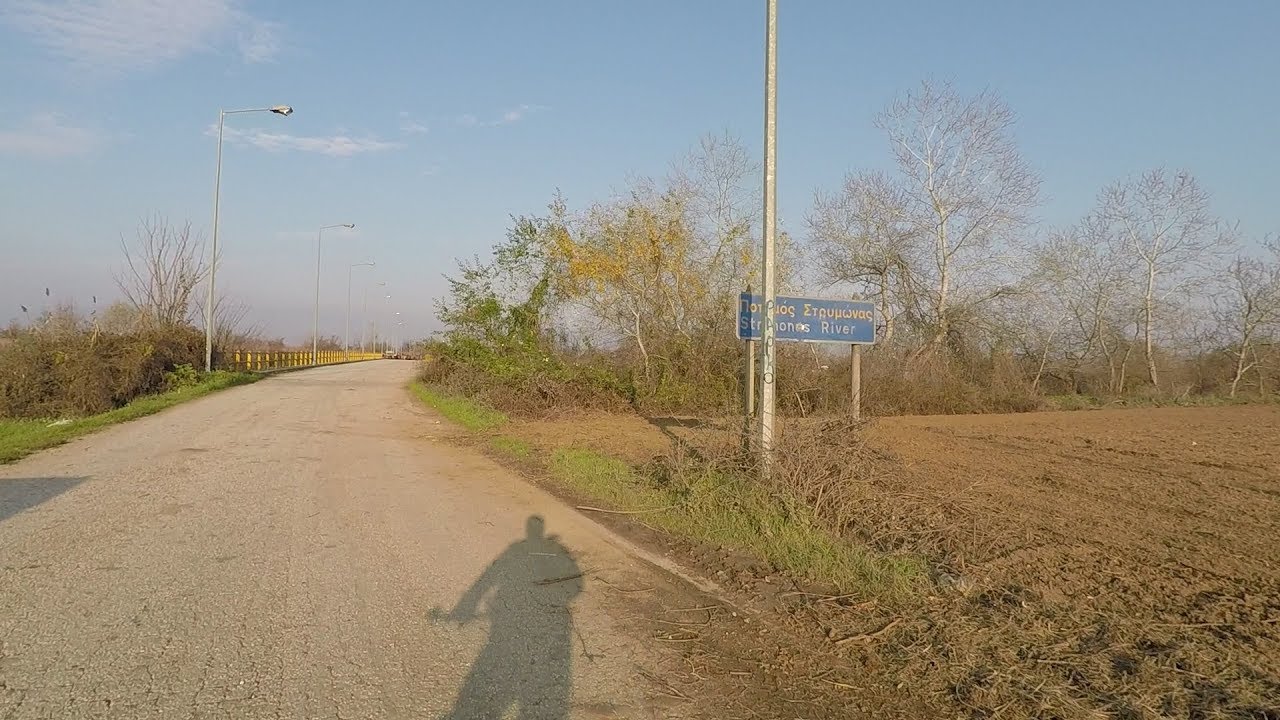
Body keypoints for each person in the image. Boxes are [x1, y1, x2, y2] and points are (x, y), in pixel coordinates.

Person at [432, 515, 583, 719]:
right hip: (548, 623)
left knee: (499, 668)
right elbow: (577, 586)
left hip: (517, 624)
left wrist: (466, 607)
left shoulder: (520, 549)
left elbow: (487, 577)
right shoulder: (549, 551)